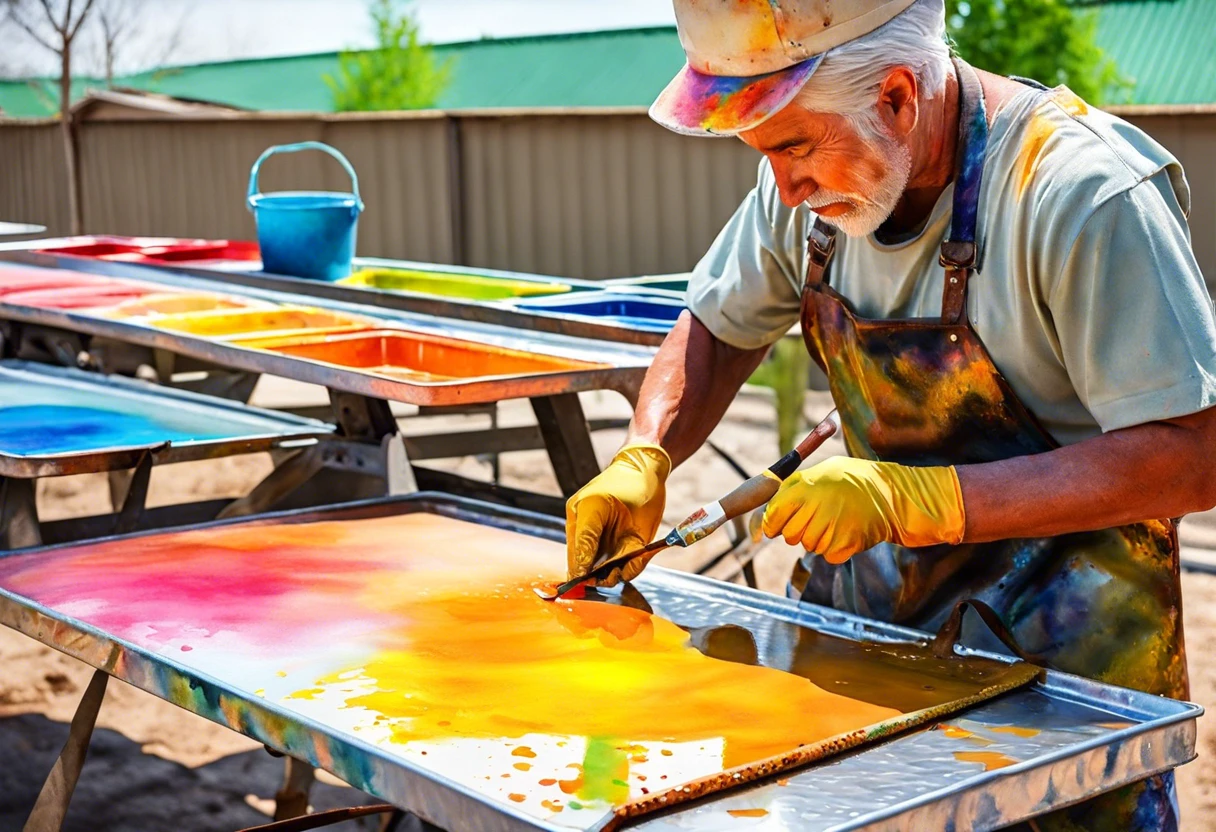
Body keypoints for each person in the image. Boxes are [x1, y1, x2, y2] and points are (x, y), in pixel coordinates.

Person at [564, 1, 1216, 829]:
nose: (784, 185)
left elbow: (1192, 456)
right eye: (763, 155)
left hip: (1067, 674)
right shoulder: (807, 194)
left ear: (899, 98)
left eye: (794, 147)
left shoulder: (1078, 194)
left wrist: (922, 500)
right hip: (875, 641)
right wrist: (645, 454)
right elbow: (718, 328)